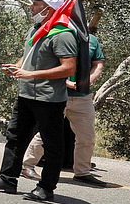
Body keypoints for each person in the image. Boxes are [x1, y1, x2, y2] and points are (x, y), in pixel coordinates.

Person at [0, 0, 78, 203]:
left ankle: (46, 187)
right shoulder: (37, 29)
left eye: (35, 4)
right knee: (15, 138)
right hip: (25, 95)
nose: (31, 7)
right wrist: (17, 67)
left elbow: (68, 68)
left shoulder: (62, 34)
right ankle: (7, 179)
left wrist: (31, 74)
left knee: (52, 145)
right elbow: (30, 53)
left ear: (49, 8)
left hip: (49, 99)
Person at [22, 30, 106, 186]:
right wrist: (67, 83)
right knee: (46, 134)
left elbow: (98, 65)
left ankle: (82, 172)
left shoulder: (92, 40)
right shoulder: (60, 37)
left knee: (86, 136)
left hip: (83, 97)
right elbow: (48, 64)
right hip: (57, 94)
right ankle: (27, 166)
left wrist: (85, 82)